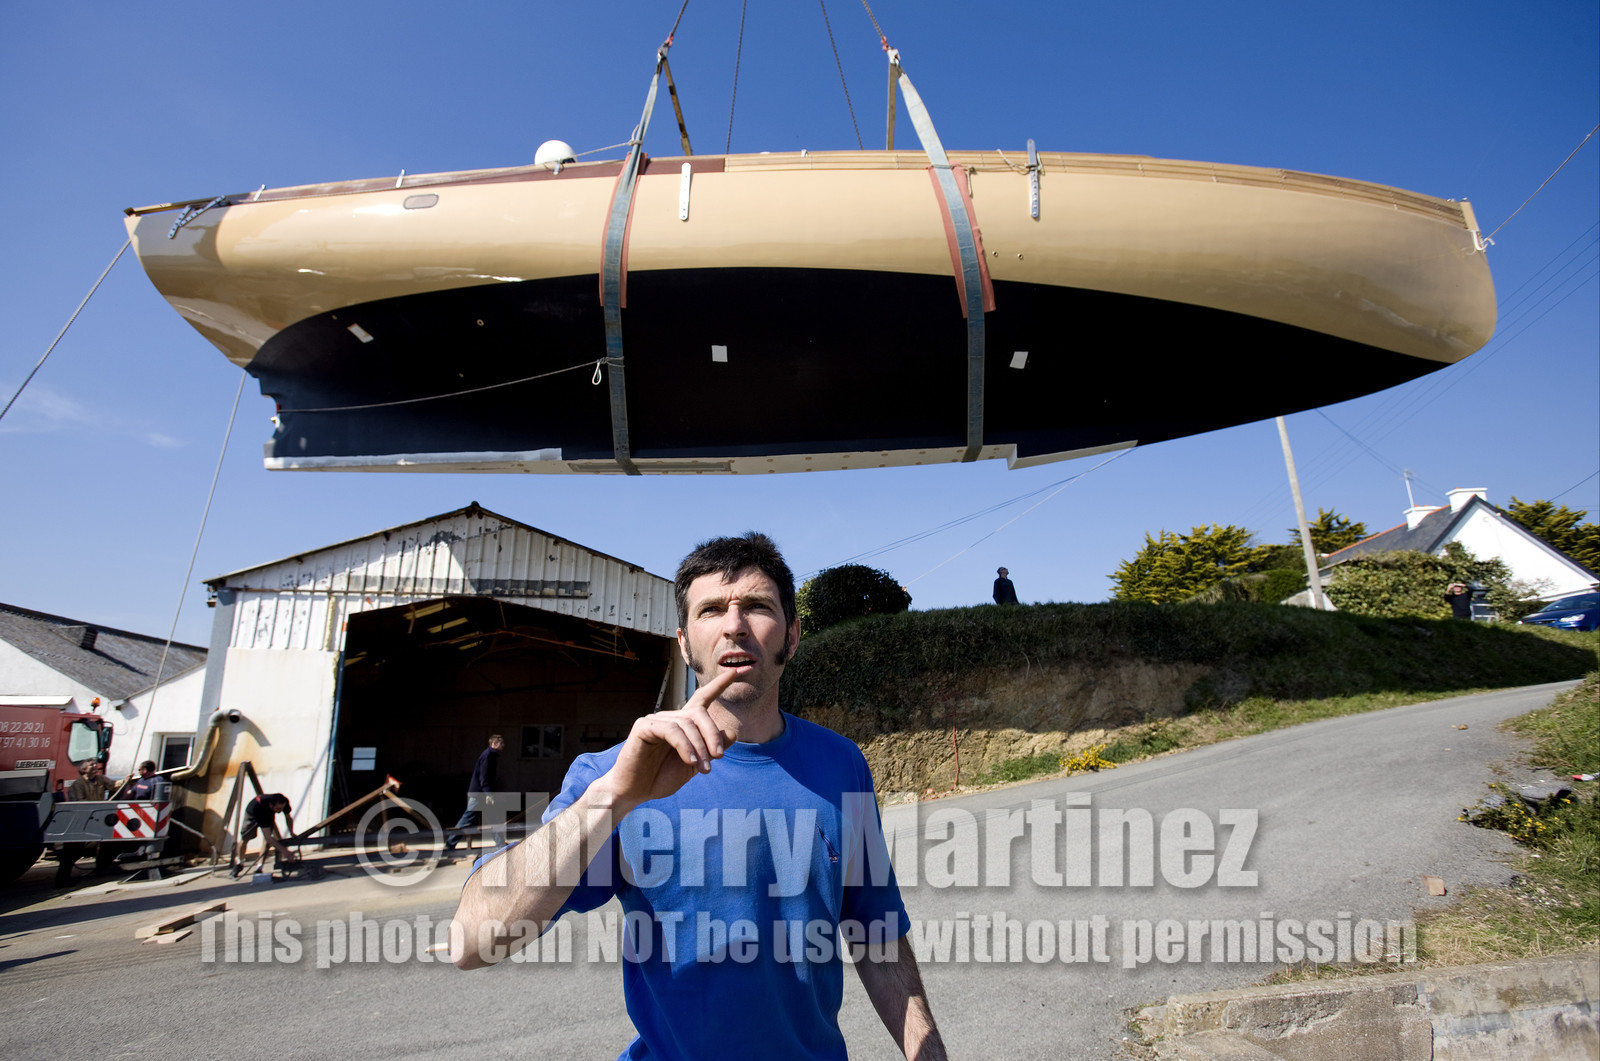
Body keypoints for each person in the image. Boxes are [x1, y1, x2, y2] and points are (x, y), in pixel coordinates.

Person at [451, 532, 946, 1061]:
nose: (735, 625)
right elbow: (473, 941)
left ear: (793, 636)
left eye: (757, 606)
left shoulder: (842, 764)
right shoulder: (611, 774)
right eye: (711, 610)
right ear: (685, 643)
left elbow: (877, 935)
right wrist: (614, 797)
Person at [55, 760, 118, 885]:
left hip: (96, 817)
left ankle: (103, 867)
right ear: (84, 769)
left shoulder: (100, 779)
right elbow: (79, 802)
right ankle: (62, 879)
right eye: (91, 765)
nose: (95, 767)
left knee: (106, 842)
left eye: (96, 765)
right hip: (79, 820)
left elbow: (114, 785)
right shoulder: (78, 784)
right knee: (72, 849)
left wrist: (125, 781)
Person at [445, 734, 504, 852]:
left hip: (482, 794)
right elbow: (483, 777)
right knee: (467, 819)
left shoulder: (491, 756)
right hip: (479, 795)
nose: (503, 746)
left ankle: (501, 844)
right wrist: (488, 794)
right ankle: (449, 844)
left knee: (493, 819)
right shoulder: (487, 756)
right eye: (501, 743)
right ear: (494, 743)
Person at [234, 793, 295, 877]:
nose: (280, 811)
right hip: (253, 813)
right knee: (245, 839)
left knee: (266, 842)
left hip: (268, 813)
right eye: (278, 809)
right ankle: (239, 862)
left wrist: (292, 832)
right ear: (271, 805)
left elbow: (288, 817)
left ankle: (259, 866)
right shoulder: (259, 807)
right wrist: (285, 852)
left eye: (282, 808)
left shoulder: (284, 802)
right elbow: (269, 837)